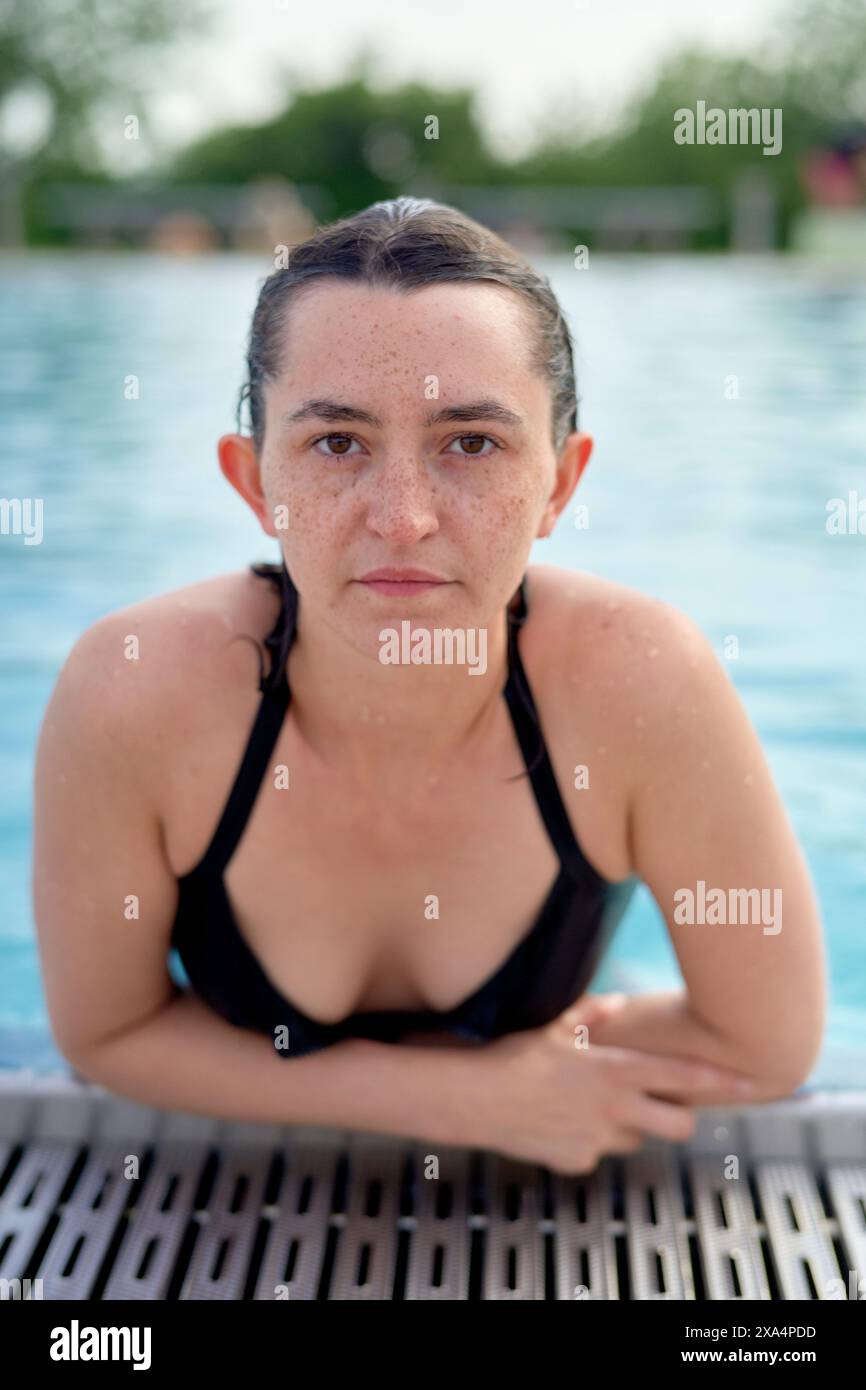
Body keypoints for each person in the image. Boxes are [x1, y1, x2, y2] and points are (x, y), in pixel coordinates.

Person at [32, 197, 826, 1176]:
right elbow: (103, 1034)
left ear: (559, 485)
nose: (402, 520)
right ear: (253, 481)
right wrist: (465, 1096)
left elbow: (763, 1045)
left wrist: (547, 1074)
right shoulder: (134, 692)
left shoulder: (640, 682)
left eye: (470, 443)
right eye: (335, 444)